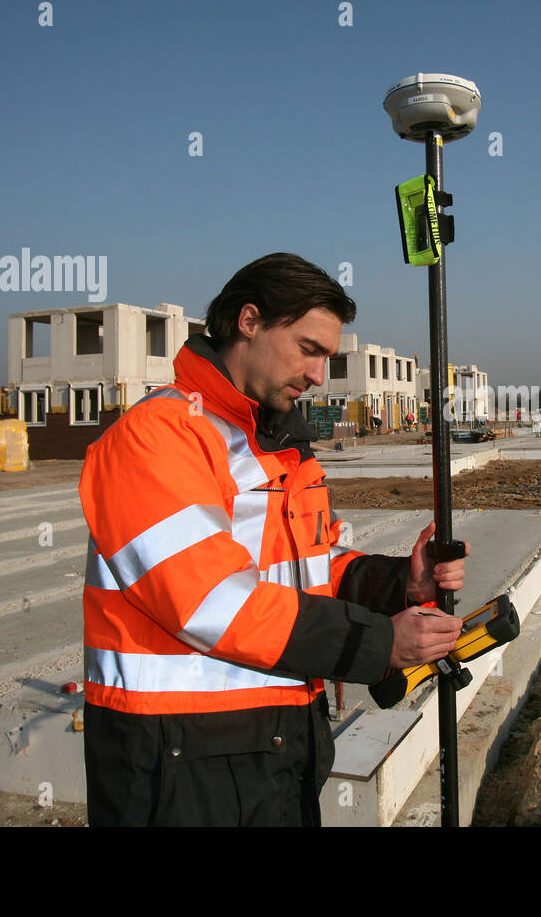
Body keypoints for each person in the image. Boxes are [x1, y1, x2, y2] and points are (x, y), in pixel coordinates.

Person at [78, 253, 467, 826]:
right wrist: (379, 645)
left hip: (274, 753)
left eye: (327, 358)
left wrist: (398, 585)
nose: (317, 376)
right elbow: (212, 602)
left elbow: (313, 569)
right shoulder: (158, 437)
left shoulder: (275, 444)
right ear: (250, 321)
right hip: (178, 768)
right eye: (309, 350)